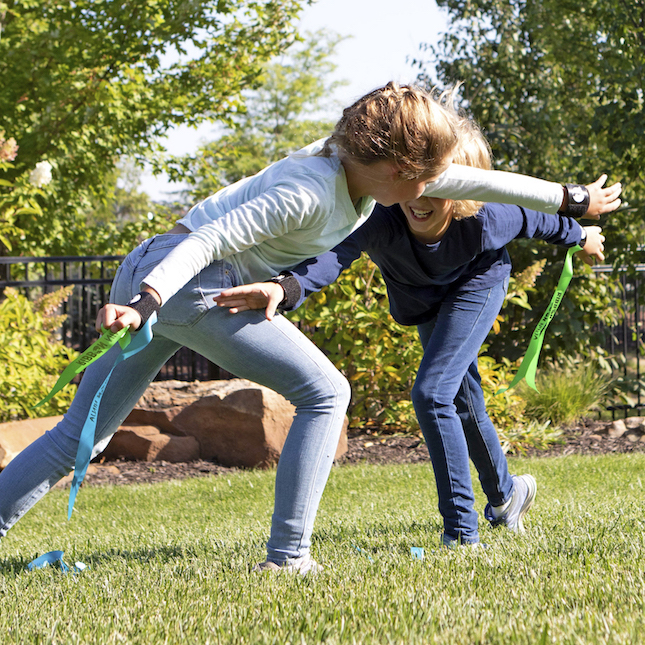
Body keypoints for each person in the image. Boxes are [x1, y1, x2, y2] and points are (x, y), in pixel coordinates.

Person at [0, 83, 619, 572]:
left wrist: (571, 200)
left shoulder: (366, 170)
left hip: (150, 266)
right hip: (183, 282)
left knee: (77, 435)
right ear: (399, 168)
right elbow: (209, 238)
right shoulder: (310, 192)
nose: (435, 186)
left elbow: (481, 181)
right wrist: (149, 299)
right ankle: (289, 558)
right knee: (327, 393)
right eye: (426, 175)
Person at [212, 120, 620, 548]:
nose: (421, 200)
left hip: (476, 285)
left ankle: (462, 534)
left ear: (467, 194)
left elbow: (538, 219)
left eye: (439, 188)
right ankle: (506, 496)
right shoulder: (383, 216)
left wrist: (583, 235)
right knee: (462, 398)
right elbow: (333, 257)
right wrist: (284, 286)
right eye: (416, 186)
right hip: (423, 298)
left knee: (433, 392)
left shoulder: (490, 217)